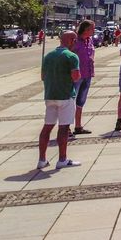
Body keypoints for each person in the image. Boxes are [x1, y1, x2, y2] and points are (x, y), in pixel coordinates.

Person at [38, 30, 82, 170]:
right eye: (75, 40)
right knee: (64, 127)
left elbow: (43, 77)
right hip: (65, 95)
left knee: (47, 127)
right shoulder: (72, 56)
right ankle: (62, 159)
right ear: (71, 41)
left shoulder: (48, 56)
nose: (76, 43)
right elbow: (76, 77)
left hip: (50, 95)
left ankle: (42, 159)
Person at [71, 20, 97, 137]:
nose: (94, 30)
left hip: (88, 74)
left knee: (81, 101)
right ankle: (65, 128)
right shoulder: (74, 40)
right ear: (86, 29)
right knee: (70, 101)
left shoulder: (90, 40)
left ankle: (78, 126)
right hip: (76, 75)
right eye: (92, 28)